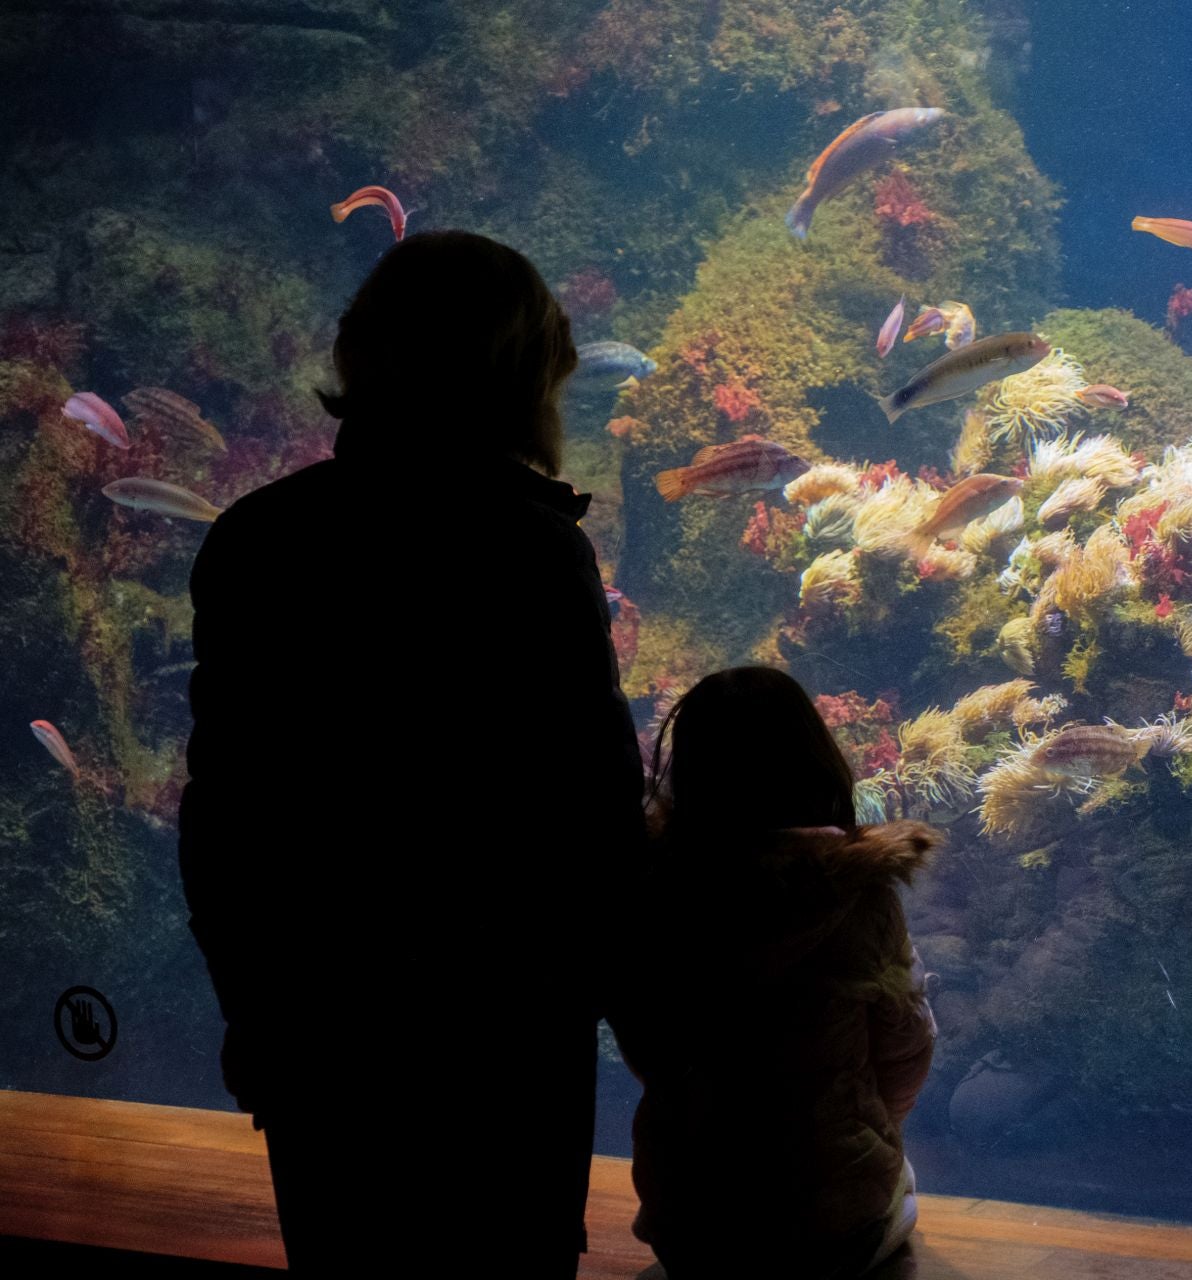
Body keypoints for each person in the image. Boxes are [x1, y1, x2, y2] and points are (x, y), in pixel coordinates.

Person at [177, 231, 646, 1275]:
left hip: (322, 1030)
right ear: (519, 378)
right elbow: (598, 816)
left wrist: (253, 1004)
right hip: (501, 1041)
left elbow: (226, 816)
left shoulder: (259, 539)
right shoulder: (531, 548)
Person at [610, 667, 938, 1280]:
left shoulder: (655, 891)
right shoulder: (859, 893)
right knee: (892, 1176)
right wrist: (869, 1128)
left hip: (689, 1226)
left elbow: (646, 1046)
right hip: (833, 1228)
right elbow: (907, 1045)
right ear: (820, 761)